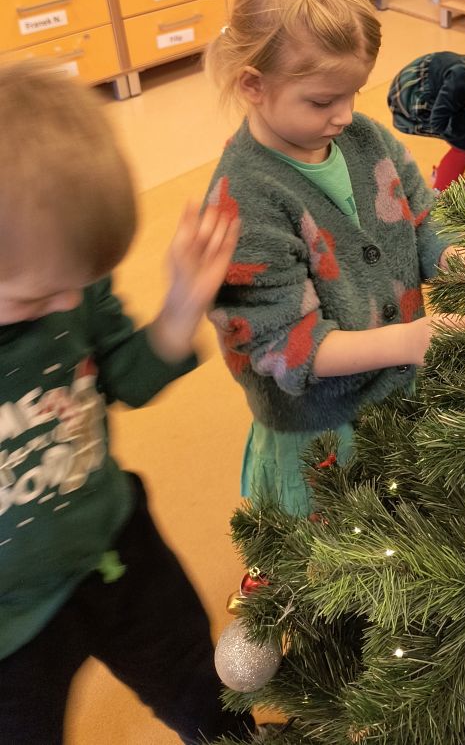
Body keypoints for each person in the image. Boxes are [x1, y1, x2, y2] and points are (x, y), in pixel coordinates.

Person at [0, 60, 251, 745]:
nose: (67, 305)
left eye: (79, 285)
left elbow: (127, 377)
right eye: (39, 296)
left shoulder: (66, 282)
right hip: (11, 625)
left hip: (115, 547)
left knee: (199, 683)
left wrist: (180, 308)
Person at [204, 0, 461, 516]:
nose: (344, 115)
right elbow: (285, 347)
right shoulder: (244, 202)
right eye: (323, 100)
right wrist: (412, 341)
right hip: (323, 431)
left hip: (397, 391)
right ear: (253, 84)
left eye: (354, 93)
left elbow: (422, 219)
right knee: (338, 548)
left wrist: (459, 260)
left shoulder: (365, 139)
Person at [387, 50, 465, 191]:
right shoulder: (463, 78)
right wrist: (459, 137)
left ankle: (443, 176)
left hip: (435, 85)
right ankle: (440, 191)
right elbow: (438, 121)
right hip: (412, 95)